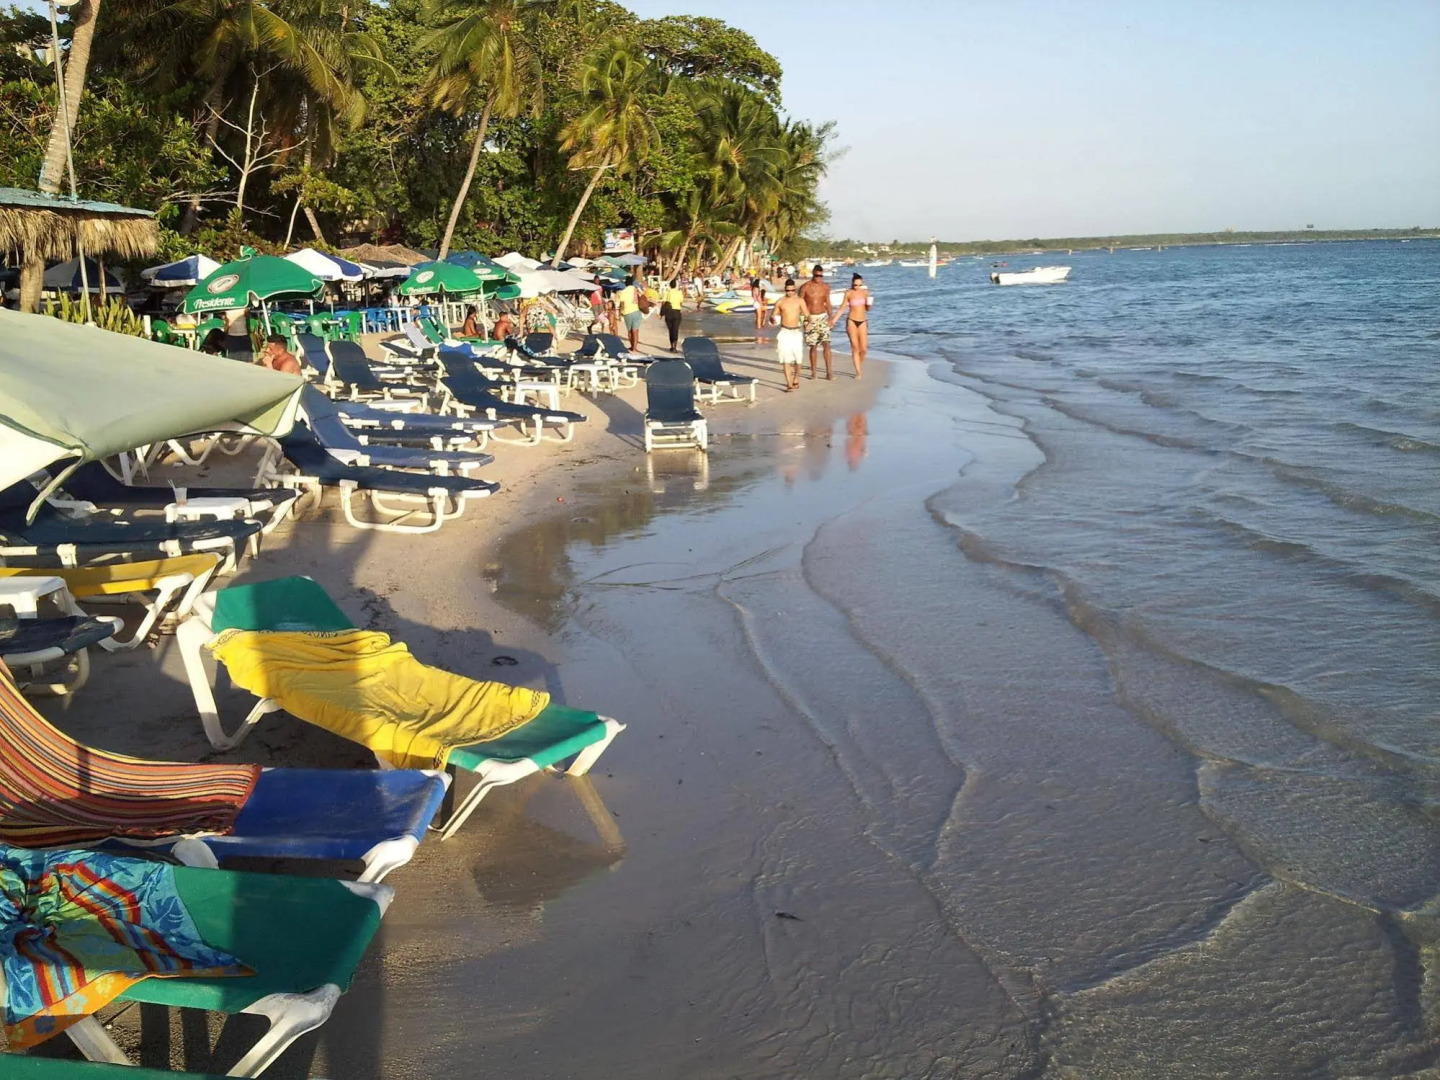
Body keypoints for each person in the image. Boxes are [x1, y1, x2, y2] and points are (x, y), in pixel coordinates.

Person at [832, 273, 874, 379]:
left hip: (863, 321)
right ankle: (858, 372)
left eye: (859, 285)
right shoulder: (848, 293)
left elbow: (867, 309)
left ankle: (858, 363)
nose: (857, 287)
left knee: (863, 349)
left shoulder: (865, 293)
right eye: (855, 285)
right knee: (855, 348)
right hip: (851, 321)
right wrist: (833, 321)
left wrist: (869, 305)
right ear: (852, 283)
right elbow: (842, 308)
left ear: (862, 284)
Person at [798, 263, 834, 380]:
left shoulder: (825, 287)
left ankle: (829, 372)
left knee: (826, 344)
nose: (819, 278)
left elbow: (828, 303)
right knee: (813, 346)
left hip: (822, 317)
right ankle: (813, 372)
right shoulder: (805, 287)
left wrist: (831, 317)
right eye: (817, 275)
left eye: (820, 276)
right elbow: (799, 304)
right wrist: (802, 319)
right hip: (810, 318)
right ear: (813, 274)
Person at [770, 278, 806, 392]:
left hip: (796, 332)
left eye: (792, 290)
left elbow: (807, 315)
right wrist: (772, 319)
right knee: (785, 358)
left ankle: (796, 378)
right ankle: (789, 384)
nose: (790, 292)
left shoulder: (800, 301)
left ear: (795, 289)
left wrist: (809, 322)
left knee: (798, 359)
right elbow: (773, 316)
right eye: (788, 290)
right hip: (784, 332)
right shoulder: (780, 301)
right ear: (785, 290)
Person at [617, 275, 644, 351]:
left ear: (626, 283)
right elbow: (642, 296)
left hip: (627, 313)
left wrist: (619, 314)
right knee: (635, 331)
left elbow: (622, 305)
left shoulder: (623, 292)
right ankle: (635, 348)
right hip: (636, 311)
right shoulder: (636, 289)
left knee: (629, 331)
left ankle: (632, 346)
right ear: (632, 282)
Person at [661, 279, 686, 351]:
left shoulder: (667, 292)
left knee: (670, 330)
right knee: (675, 329)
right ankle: (674, 346)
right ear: (676, 285)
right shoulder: (679, 293)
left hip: (669, 312)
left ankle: (672, 345)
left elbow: (663, 303)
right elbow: (681, 303)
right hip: (676, 312)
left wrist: (662, 312)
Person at [751, 277, 769, 342]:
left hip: (754, 302)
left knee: (757, 316)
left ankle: (757, 325)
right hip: (757, 303)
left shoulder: (753, 289)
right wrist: (761, 303)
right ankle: (758, 327)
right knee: (759, 316)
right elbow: (758, 297)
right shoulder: (757, 289)